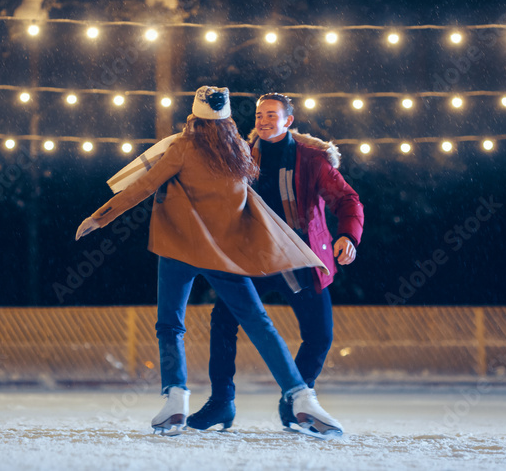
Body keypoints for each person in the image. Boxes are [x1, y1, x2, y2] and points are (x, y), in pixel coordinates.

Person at [75, 86, 344, 437]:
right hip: (222, 253)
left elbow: (144, 184)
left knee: (171, 325)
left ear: (195, 116)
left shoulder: (184, 147)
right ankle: (300, 397)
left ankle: (176, 399)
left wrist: (101, 216)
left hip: (178, 249)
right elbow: (253, 203)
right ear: (228, 118)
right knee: (258, 322)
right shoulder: (240, 153)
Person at [188, 92, 364, 431]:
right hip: (253, 257)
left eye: (272, 114)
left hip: (298, 259)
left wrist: (347, 236)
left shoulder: (312, 158)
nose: (264, 120)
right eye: (259, 115)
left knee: (320, 335)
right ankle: (221, 402)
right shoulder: (241, 154)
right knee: (223, 320)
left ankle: (297, 400)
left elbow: (347, 199)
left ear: (288, 121)